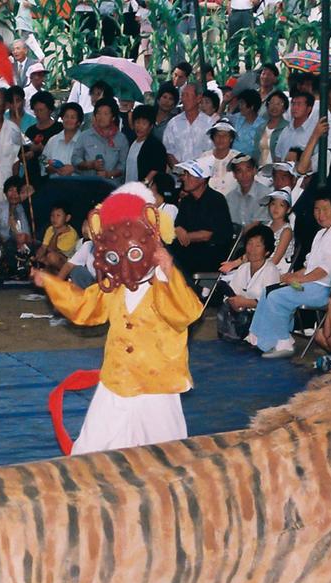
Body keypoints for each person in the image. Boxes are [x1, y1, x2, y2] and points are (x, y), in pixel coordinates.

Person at [32, 182, 204, 454]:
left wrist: (168, 272)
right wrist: (53, 285)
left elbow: (187, 313)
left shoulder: (165, 282)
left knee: (169, 455)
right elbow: (84, 307)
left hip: (157, 384)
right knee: (91, 449)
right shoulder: (114, 285)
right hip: (118, 379)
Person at [247, 191, 331, 358]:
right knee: (269, 290)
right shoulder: (322, 233)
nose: (320, 215)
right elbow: (310, 266)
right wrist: (289, 277)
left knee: (278, 296)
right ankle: (259, 338)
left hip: (327, 289)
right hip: (312, 283)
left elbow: (324, 271)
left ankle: (283, 343)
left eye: (325, 210)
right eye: (317, 210)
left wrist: (297, 278)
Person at [169, 159, 233, 279]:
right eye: (185, 174)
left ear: (202, 179)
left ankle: (196, 291)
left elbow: (207, 234)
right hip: (191, 247)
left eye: (189, 175)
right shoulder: (187, 201)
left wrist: (186, 236)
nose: (184, 178)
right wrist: (180, 231)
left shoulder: (216, 200)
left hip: (212, 251)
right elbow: (178, 226)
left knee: (176, 258)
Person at [216, 224, 281, 342]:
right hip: (240, 312)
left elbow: (270, 302)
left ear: (267, 251)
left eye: (258, 245)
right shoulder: (243, 268)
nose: (252, 249)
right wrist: (234, 302)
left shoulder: (271, 270)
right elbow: (232, 292)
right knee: (225, 307)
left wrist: (246, 303)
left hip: (259, 316)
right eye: (249, 244)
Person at [73, 98, 128, 186]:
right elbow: (75, 160)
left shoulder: (121, 139)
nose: (101, 117)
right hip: (88, 186)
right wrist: (90, 165)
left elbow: (123, 167)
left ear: (113, 117)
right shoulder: (85, 136)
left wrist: (109, 174)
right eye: (98, 113)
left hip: (112, 187)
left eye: (106, 114)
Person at [162, 81, 211, 166]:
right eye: (183, 95)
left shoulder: (209, 123)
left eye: (187, 95)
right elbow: (169, 151)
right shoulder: (173, 124)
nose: (184, 99)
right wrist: (180, 172)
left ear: (198, 98)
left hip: (201, 175)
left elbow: (211, 152)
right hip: (178, 175)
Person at [124, 104, 166, 186]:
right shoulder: (132, 141)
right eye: (137, 122)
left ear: (151, 126)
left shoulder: (155, 145)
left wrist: (144, 184)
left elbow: (157, 168)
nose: (139, 127)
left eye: (144, 123)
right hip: (129, 187)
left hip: (144, 190)